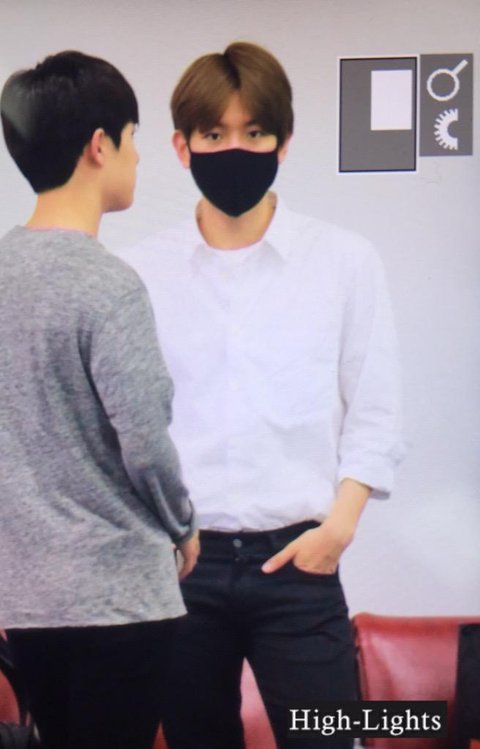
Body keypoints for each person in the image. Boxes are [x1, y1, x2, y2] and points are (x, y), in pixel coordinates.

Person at [116, 42, 404, 749]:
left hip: (300, 563)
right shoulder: (139, 272)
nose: (235, 150)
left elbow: (376, 409)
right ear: (182, 147)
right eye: (214, 135)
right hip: (183, 567)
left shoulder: (345, 260)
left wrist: (338, 530)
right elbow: (123, 422)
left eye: (254, 132)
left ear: (285, 141)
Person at [0, 50, 199, 749]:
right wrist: (183, 525)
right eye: (133, 137)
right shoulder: (108, 285)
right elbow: (144, 441)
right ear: (98, 146)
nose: (138, 156)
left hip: (28, 601)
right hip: (119, 599)